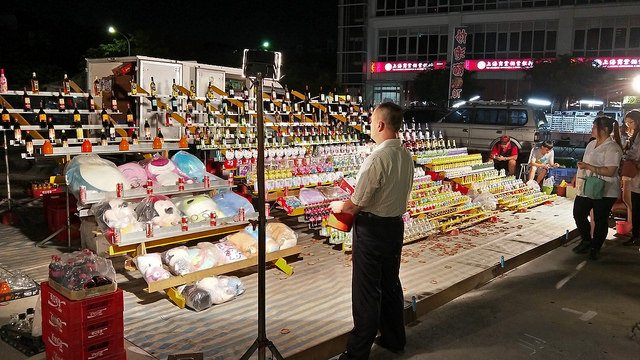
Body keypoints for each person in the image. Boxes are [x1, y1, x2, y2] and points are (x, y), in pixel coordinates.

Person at [330, 102, 414, 359]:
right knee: (390, 284)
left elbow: (357, 203)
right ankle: (394, 338)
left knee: (366, 291)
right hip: (394, 227)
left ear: (380, 124)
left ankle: (357, 352)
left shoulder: (377, 158)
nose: (369, 125)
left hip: (372, 229)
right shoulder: (405, 155)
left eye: (371, 120)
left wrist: (338, 204)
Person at [573, 116, 623, 260]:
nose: (592, 129)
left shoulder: (613, 148)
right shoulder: (591, 144)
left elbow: (610, 171)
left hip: (606, 189)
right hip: (588, 186)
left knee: (600, 219)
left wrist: (588, 166)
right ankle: (586, 240)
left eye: (594, 127)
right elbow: (585, 162)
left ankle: (596, 246)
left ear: (605, 129)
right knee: (579, 213)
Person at [622, 109, 640, 246]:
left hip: (636, 174)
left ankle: (636, 235)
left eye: (631, 122)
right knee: (635, 205)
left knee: (637, 205)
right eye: (627, 123)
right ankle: (636, 234)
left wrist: (625, 156)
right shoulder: (634, 134)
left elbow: (635, 154)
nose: (629, 125)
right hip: (635, 176)